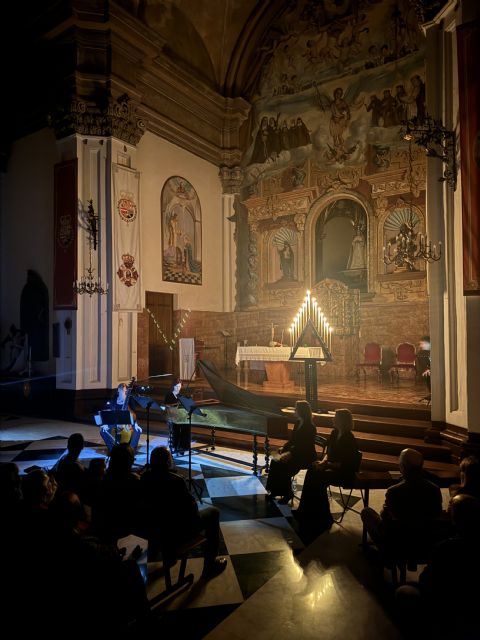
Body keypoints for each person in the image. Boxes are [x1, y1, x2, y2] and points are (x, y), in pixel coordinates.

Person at [395, 494, 480, 639]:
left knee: (404, 591)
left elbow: (426, 581)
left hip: (444, 603)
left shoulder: (446, 548)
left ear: (454, 519)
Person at [140, 446, 227, 580]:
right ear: (168, 462)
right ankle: (209, 566)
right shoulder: (177, 480)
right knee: (214, 512)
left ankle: (168, 556)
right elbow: (192, 510)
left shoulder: (145, 477)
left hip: (156, 528)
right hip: (179, 530)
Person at [361, 448, 445, 563]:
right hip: (426, 543)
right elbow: (437, 514)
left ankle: (385, 554)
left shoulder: (394, 491)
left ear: (402, 467)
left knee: (366, 512)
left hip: (400, 543)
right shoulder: (434, 489)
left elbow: (385, 519)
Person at [293, 408, 361, 539]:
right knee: (312, 471)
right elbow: (328, 453)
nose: (333, 419)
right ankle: (306, 511)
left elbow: (346, 464)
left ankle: (323, 516)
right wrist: (322, 462)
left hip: (344, 472)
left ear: (342, 421)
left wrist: (325, 465)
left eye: (335, 417)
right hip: (331, 467)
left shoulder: (349, 439)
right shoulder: (334, 433)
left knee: (319, 478)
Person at [265, 400, 317, 504]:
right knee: (275, 461)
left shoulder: (310, 427)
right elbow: (293, 440)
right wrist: (283, 448)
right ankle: (275, 491)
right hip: (296, 451)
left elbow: (304, 446)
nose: (295, 410)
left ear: (301, 411)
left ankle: (288, 493)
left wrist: (290, 453)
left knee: (284, 465)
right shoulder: (298, 422)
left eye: (296, 408)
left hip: (305, 455)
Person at [99, 382, 142, 453]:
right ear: (119, 391)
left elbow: (134, 415)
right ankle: (112, 449)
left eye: (126, 392)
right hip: (114, 423)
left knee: (137, 431)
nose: (126, 394)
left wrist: (135, 423)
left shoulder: (129, 401)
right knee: (103, 431)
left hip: (127, 424)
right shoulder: (113, 402)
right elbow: (108, 415)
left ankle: (130, 451)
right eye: (124, 392)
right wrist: (105, 424)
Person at [165, 378, 190, 455]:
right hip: (172, 416)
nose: (178, 388)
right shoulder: (169, 395)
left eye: (179, 386)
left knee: (186, 426)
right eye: (176, 386)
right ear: (173, 386)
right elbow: (166, 406)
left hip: (180, 416)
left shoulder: (181, 395)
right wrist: (174, 406)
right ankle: (175, 446)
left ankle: (183, 446)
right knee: (176, 427)